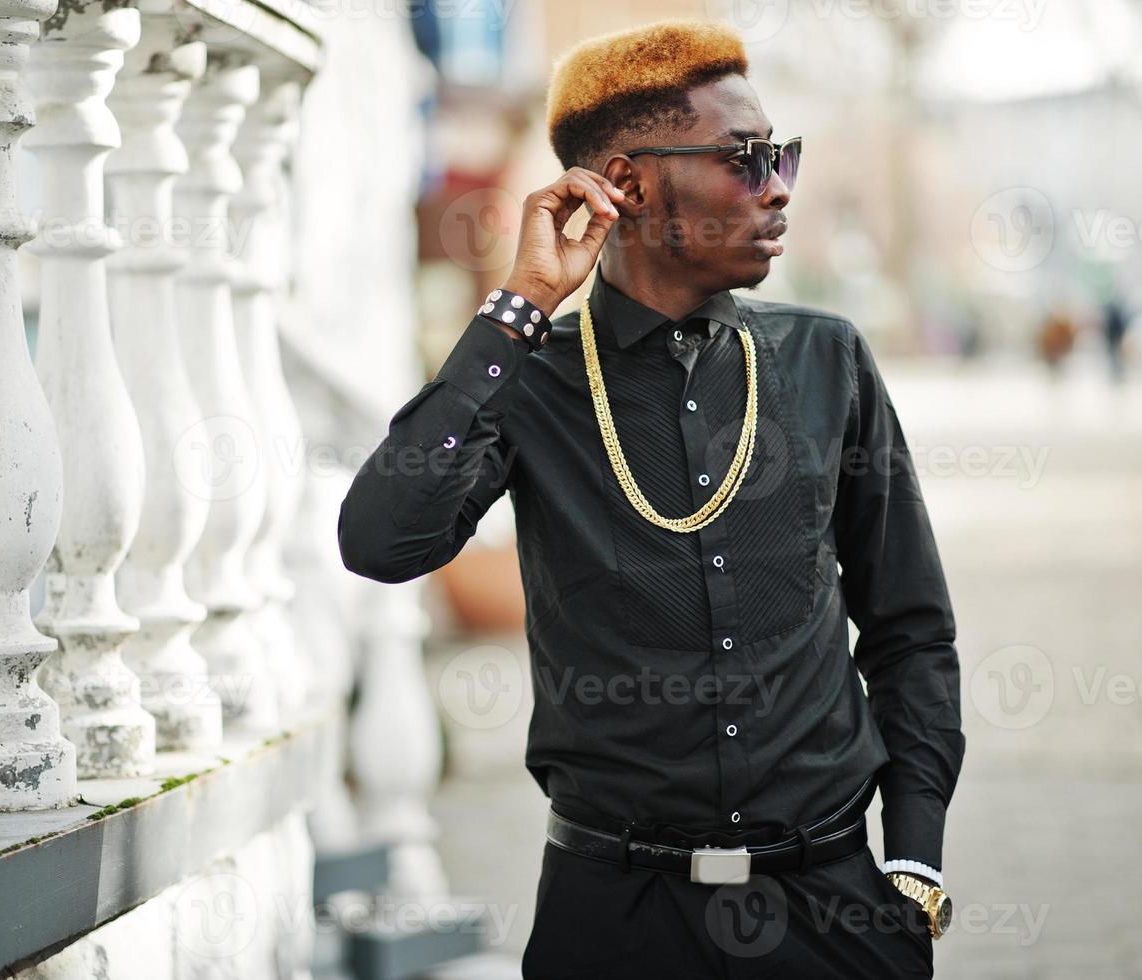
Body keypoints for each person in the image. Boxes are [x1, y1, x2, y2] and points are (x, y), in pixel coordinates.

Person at [337, 19, 963, 978]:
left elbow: (909, 627)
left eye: (780, 155)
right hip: (615, 922)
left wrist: (912, 859)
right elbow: (381, 540)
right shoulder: (531, 382)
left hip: (834, 913)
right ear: (625, 183)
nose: (780, 185)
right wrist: (519, 307)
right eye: (744, 159)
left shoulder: (823, 358)